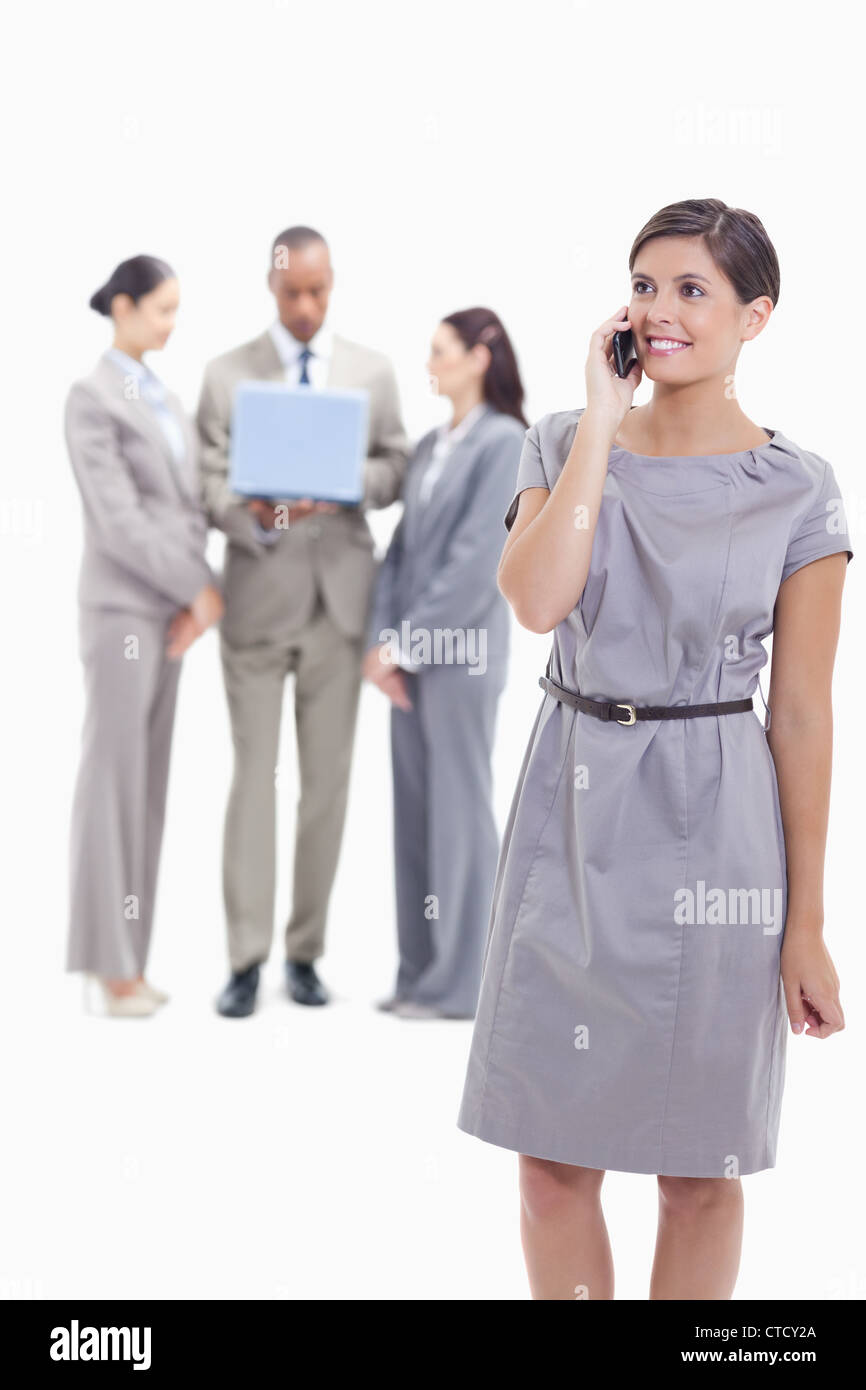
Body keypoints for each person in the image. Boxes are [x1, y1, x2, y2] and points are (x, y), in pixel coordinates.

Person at [456, 199, 853, 1299]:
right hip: (571, 809)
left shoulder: (795, 487)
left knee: (696, 1169)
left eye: (691, 290)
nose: (659, 310)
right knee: (546, 1161)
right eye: (643, 284)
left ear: (753, 317)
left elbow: (804, 714)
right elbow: (537, 599)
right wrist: (597, 418)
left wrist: (804, 926)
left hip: (715, 826)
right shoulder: (556, 442)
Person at [197, 225, 410, 1017]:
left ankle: (304, 954)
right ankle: (245, 959)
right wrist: (250, 509)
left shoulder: (372, 372)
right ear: (271, 285)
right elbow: (206, 477)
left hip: (339, 605)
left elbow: (398, 466)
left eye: (319, 291)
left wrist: (344, 480)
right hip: (257, 599)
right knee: (254, 780)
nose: (307, 306)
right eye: (293, 293)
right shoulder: (225, 376)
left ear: (332, 283)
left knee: (326, 786)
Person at [66, 255, 224, 1017]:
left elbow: (189, 505)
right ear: (123, 307)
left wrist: (202, 593)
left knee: (148, 785)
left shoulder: (165, 396)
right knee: (111, 782)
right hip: (122, 613)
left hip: (169, 614)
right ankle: (107, 968)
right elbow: (119, 520)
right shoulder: (90, 399)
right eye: (162, 309)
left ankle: (132, 962)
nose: (171, 323)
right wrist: (194, 586)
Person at [362, 309, 526, 1018]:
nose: (428, 362)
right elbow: (399, 554)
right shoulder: (432, 445)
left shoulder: (506, 443)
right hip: (409, 662)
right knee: (416, 811)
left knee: (459, 811)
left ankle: (462, 985)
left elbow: (475, 564)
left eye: (440, 351)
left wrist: (407, 644)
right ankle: (417, 974)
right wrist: (382, 645)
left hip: (460, 659)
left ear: (478, 357)